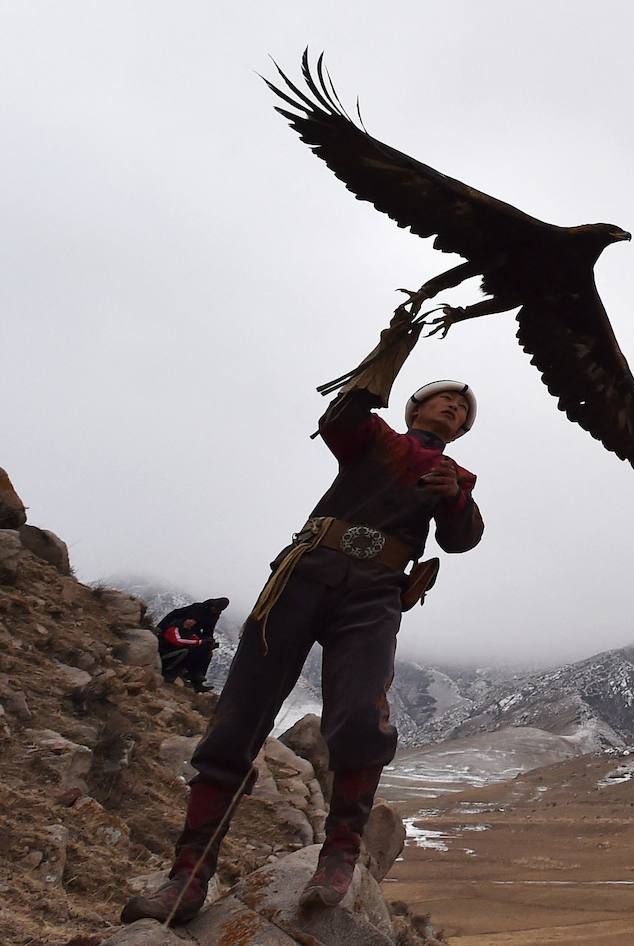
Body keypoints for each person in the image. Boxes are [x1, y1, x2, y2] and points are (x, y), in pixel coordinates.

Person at [123, 317, 483, 925]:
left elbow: (463, 539)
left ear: (464, 430)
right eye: (443, 397)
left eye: (463, 409)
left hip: (374, 595)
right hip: (303, 576)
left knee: (361, 718)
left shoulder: (457, 478)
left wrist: (454, 498)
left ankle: (339, 854)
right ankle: (187, 878)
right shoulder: (373, 438)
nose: (453, 407)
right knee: (239, 716)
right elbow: (337, 420)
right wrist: (385, 361)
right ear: (415, 405)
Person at [156, 597, 229, 693]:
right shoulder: (197, 608)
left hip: (192, 634)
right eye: (215, 608)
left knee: (207, 651)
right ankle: (173, 672)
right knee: (193, 650)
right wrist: (160, 628)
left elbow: (208, 630)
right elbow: (175, 615)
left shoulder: (214, 615)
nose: (215, 611)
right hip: (180, 635)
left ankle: (197, 681)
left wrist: (209, 641)